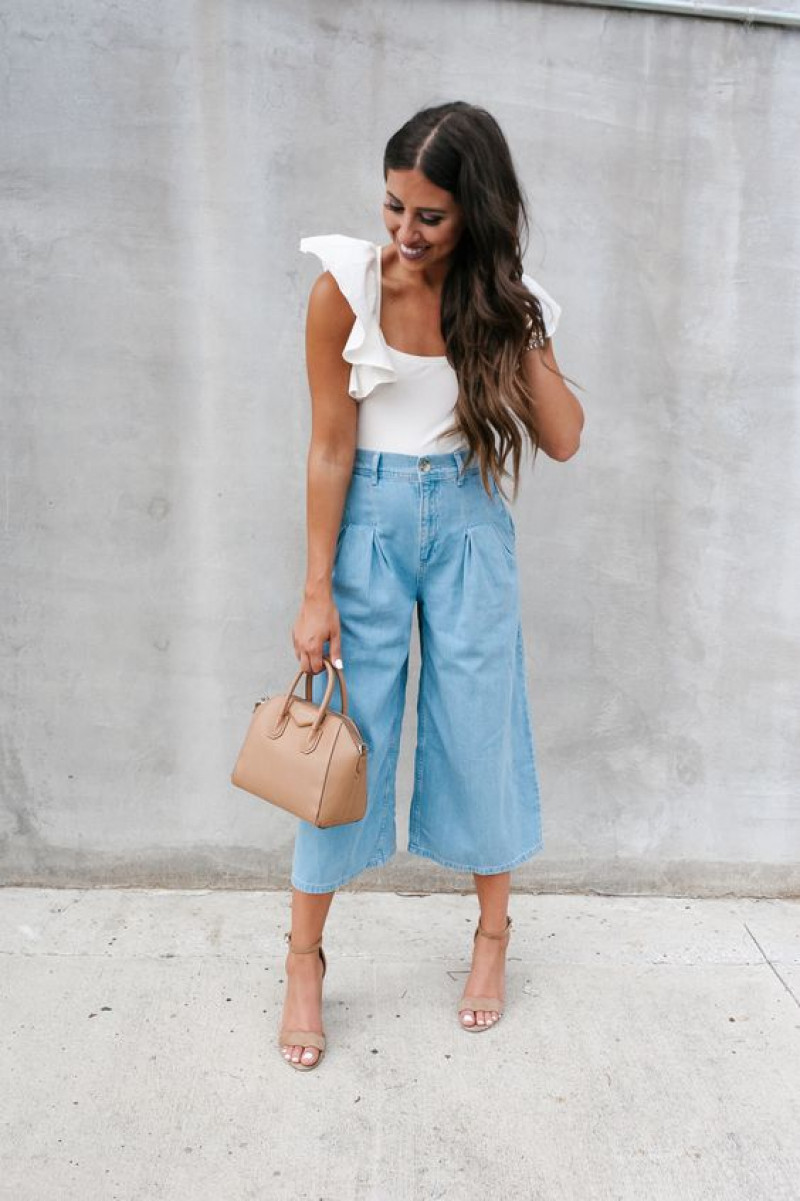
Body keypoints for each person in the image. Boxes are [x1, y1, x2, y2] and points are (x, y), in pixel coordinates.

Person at [279, 101, 585, 1070]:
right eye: (392, 208)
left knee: (478, 727)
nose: (403, 236)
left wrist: (517, 320)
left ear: (475, 216)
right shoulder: (345, 292)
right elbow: (330, 447)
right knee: (339, 746)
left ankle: (491, 938)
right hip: (367, 524)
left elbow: (565, 437)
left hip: (466, 528)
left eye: (430, 218)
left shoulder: (506, 301)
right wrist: (314, 589)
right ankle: (301, 958)